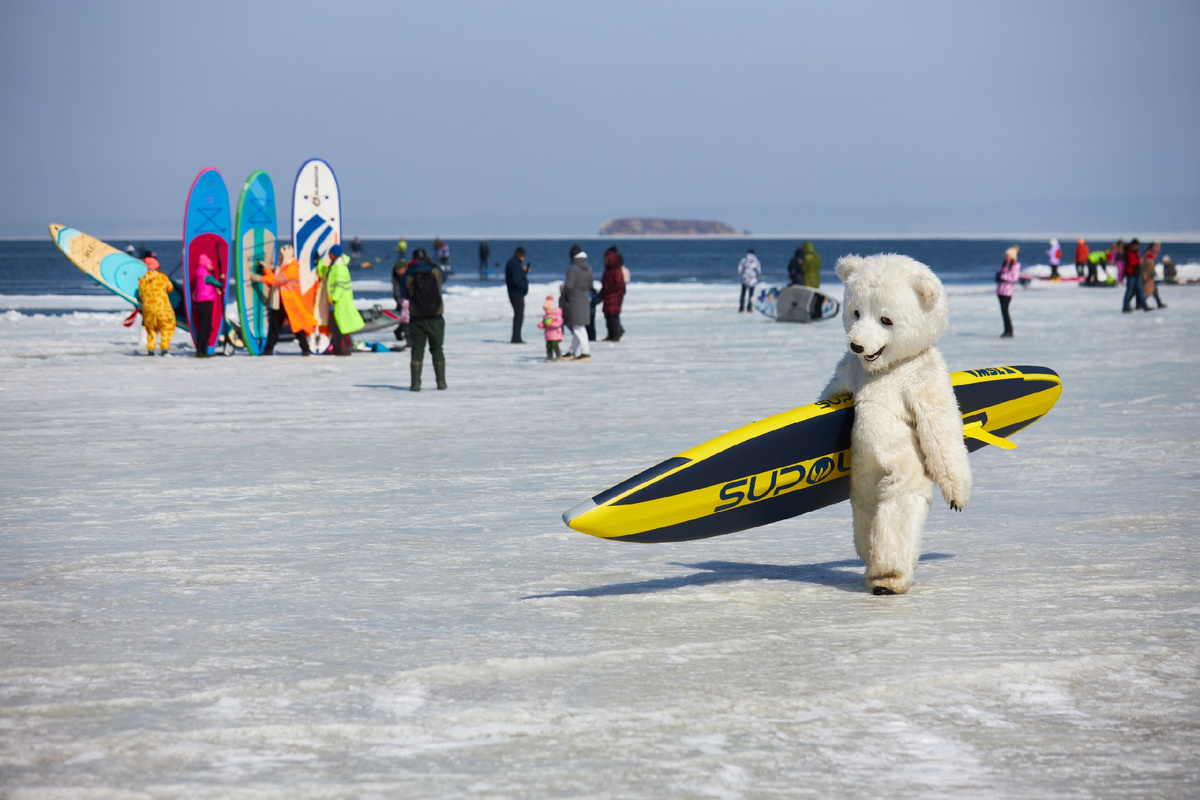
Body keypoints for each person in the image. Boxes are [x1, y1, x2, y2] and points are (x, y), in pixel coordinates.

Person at [251, 243, 315, 355]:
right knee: (274, 326)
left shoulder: (292, 268)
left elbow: (276, 280)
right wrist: (266, 270)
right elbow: (275, 277)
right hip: (281, 302)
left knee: (297, 327)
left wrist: (260, 278)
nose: (280, 256)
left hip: (291, 303)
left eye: (281, 255)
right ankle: (268, 349)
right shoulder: (284, 267)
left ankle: (305, 349)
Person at [405, 248, 447, 390]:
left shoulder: (409, 273)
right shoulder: (435, 270)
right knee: (437, 348)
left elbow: (404, 294)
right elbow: (444, 278)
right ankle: (441, 382)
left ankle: (415, 384)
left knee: (417, 350)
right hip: (436, 317)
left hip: (417, 318)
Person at [317, 244, 365, 354]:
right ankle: (337, 348)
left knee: (342, 326)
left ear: (334, 254)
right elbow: (324, 274)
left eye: (330, 253)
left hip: (340, 303)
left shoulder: (340, 268)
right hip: (334, 303)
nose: (328, 255)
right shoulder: (334, 266)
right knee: (334, 326)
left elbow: (340, 285)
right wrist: (319, 262)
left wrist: (334, 298)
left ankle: (346, 347)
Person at [137, 253, 175, 356]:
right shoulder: (162, 277)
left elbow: (141, 294)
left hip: (148, 310)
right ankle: (164, 349)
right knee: (166, 328)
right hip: (163, 309)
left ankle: (151, 349)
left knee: (151, 330)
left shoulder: (142, 280)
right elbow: (170, 288)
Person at [560, 244, 593, 361]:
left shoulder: (573, 269)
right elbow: (590, 285)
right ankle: (572, 351)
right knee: (578, 327)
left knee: (578, 327)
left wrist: (562, 290)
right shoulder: (588, 268)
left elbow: (569, 286)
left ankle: (585, 352)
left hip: (574, 300)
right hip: (584, 299)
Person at [190, 253, 222, 357]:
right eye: (209, 264)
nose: (211, 266)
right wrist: (221, 278)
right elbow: (219, 284)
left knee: (203, 327)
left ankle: (201, 350)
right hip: (205, 302)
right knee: (206, 327)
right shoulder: (206, 276)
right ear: (205, 265)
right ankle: (201, 351)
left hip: (200, 302)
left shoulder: (199, 273)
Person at [600, 247, 627, 341]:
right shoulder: (607, 270)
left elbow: (620, 285)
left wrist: (609, 291)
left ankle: (615, 335)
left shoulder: (616, 270)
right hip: (608, 297)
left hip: (614, 297)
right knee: (607, 316)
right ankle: (610, 335)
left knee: (613, 317)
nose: (605, 261)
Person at [504, 246, 530, 343]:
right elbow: (517, 281)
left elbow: (516, 277)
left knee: (518, 315)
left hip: (513, 292)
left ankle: (516, 336)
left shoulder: (512, 263)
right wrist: (524, 286)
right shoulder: (515, 265)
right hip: (516, 293)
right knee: (519, 315)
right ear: (521, 256)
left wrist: (523, 272)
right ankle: (516, 337)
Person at [996, 246, 1020, 338]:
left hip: (1007, 292)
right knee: (1003, 311)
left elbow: (1014, 278)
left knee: (1005, 310)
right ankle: (1006, 330)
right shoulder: (1004, 264)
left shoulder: (1015, 265)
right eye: (1006, 256)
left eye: (1008, 256)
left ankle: (1009, 330)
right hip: (1000, 291)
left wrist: (1003, 276)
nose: (1006, 257)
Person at [1122, 238, 1148, 312]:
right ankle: (1125, 307)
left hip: (1136, 273)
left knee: (1140, 290)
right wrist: (1138, 261)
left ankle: (1144, 306)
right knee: (1129, 291)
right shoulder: (1128, 251)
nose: (1137, 247)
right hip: (1131, 274)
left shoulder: (1135, 251)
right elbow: (1130, 262)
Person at [391, 254, 410, 349]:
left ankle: (398, 332)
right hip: (402, 300)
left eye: (399, 270)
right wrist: (401, 303)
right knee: (405, 319)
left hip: (410, 299)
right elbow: (396, 291)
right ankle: (408, 340)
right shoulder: (396, 277)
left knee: (407, 319)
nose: (398, 272)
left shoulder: (410, 274)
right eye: (397, 271)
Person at [537, 295, 564, 362]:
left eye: (547, 309)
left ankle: (558, 355)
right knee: (548, 346)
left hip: (555, 334)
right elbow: (544, 324)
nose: (546, 311)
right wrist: (541, 325)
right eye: (545, 310)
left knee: (555, 345)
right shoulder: (546, 316)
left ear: (551, 309)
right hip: (548, 335)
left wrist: (551, 324)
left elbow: (559, 323)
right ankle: (549, 356)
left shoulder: (556, 315)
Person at [1142, 242, 1165, 309]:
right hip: (1148, 276)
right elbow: (1149, 266)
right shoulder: (1150, 255)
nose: (1158, 249)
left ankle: (1159, 303)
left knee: (1153, 290)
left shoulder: (1151, 254)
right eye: (1156, 247)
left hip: (1148, 275)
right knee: (1148, 291)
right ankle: (1142, 304)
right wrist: (1152, 273)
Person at [737, 248, 761, 312]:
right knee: (751, 295)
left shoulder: (743, 260)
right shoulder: (756, 261)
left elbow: (739, 270)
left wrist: (743, 275)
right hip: (752, 280)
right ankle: (749, 308)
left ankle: (741, 308)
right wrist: (756, 276)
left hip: (744, 279)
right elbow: (759, 271)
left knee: (743, 294)